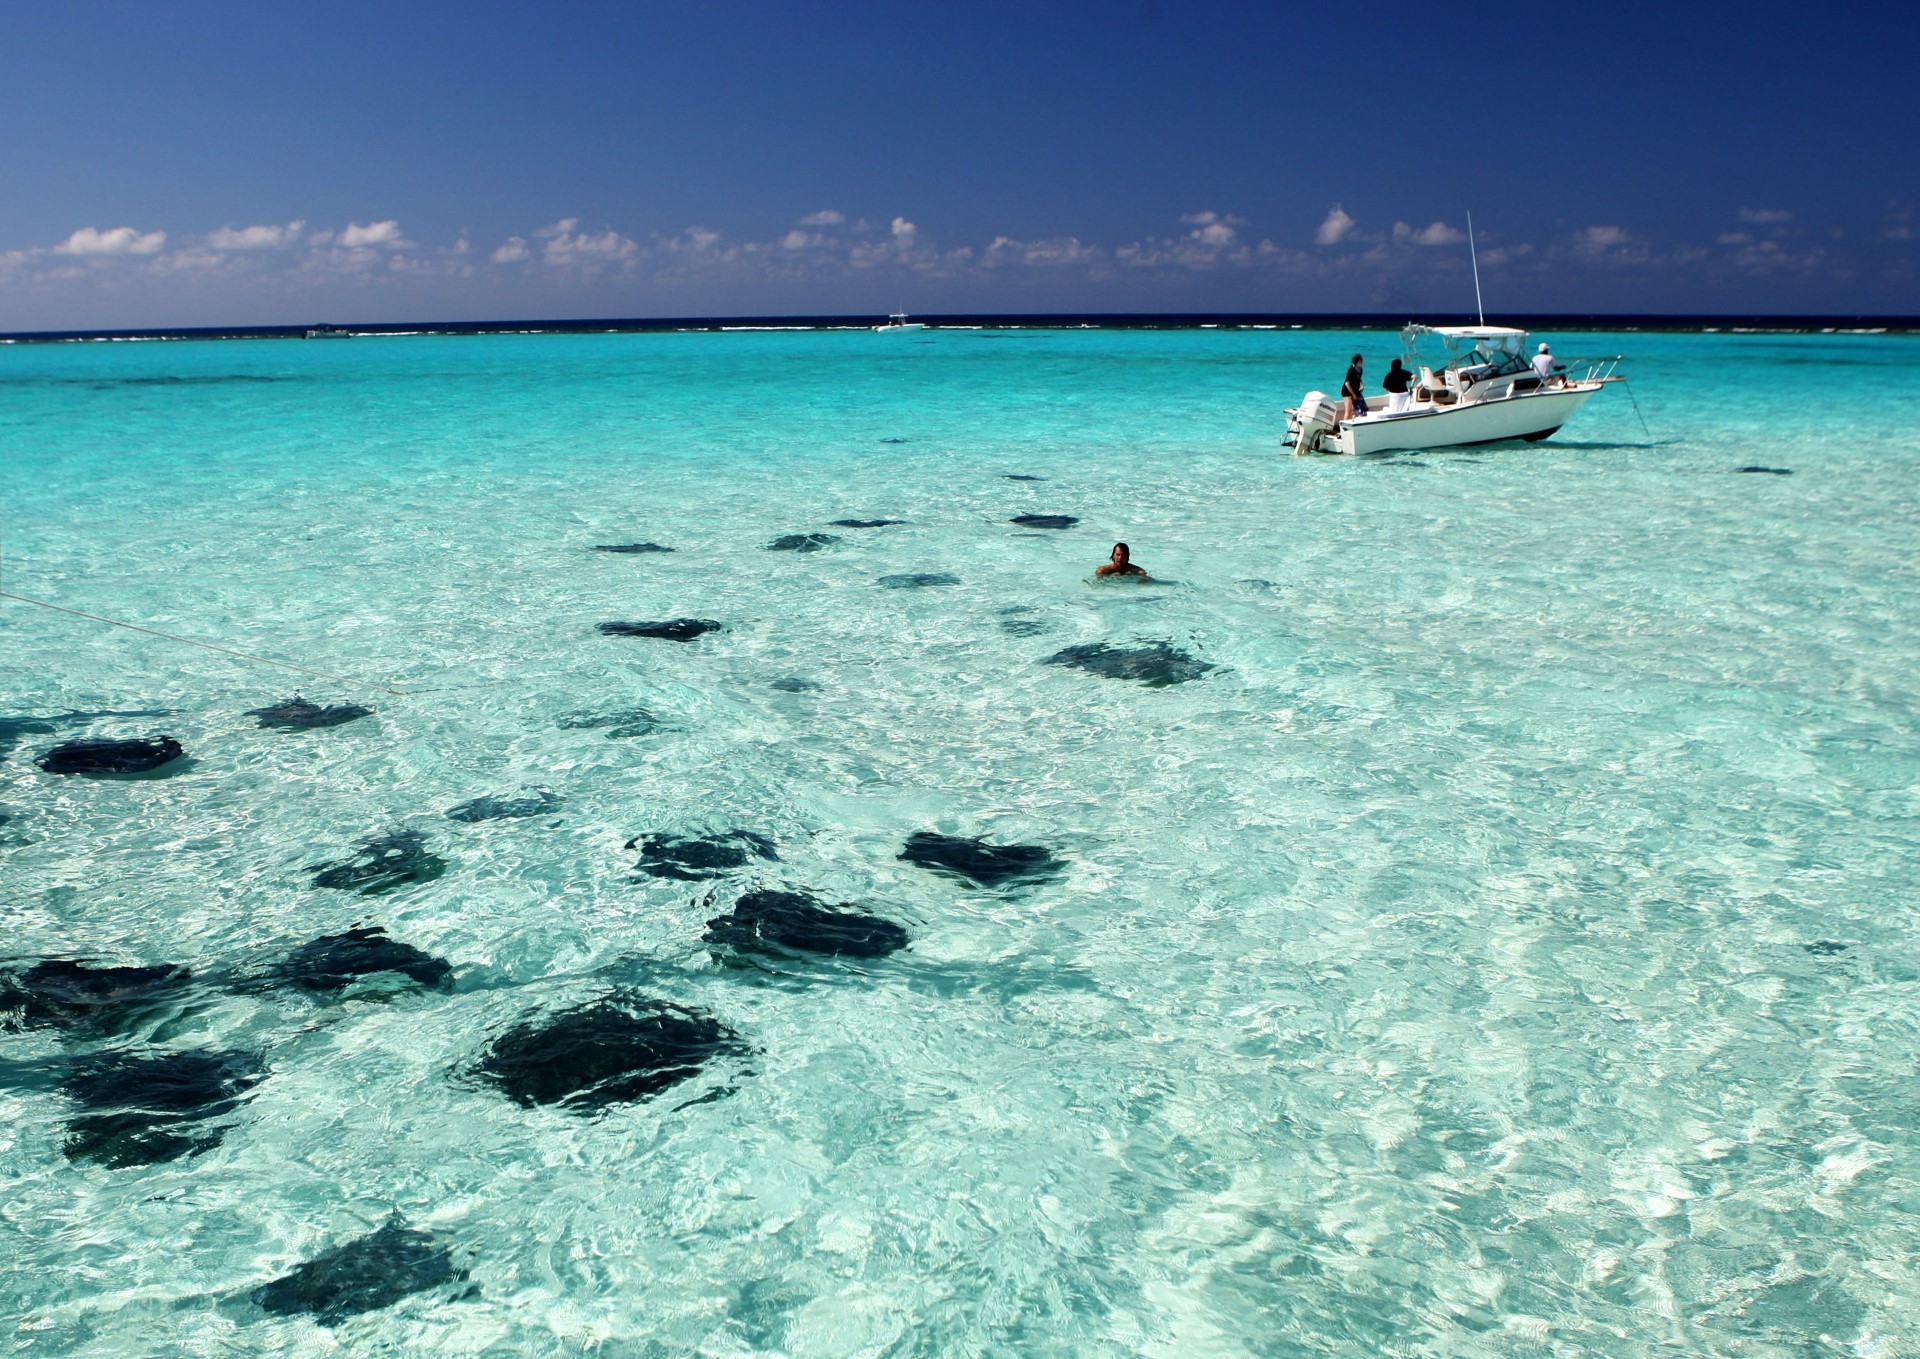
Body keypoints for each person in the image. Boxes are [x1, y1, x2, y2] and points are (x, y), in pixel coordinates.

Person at [1341, 353, 1367, 422]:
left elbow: (1357, 378)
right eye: (1361, 360)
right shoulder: (1351, 369)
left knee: (1358, 409)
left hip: (1355, 390)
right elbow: (1347, 383)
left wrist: (1362, 383)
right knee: (1348, 410)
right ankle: (1345, 427)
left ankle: (1356, 423)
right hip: (1347, 391)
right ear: (1358, 361)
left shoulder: (1360, 369)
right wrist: (1353, 394)